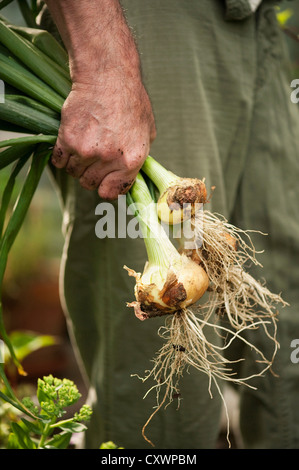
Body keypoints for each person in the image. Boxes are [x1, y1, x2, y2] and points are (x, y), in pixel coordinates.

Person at [41, 0, 299, 449]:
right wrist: (104, 66)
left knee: (284, 319)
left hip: (258, 21)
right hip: (147, 19)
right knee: (163, 392)